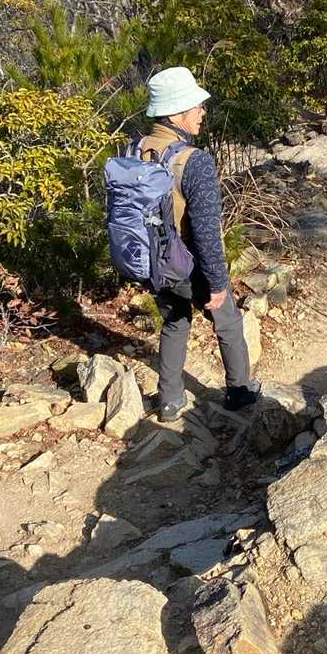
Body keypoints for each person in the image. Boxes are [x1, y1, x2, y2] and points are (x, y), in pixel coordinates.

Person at [137, 66, 259, 424]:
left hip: (150, 259)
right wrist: (218, 283)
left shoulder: (136, 149)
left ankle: (170, 400)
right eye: (196, 106)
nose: (202, 112)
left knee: (175, 322)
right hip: (186, 262)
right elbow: (206, 233)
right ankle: (240, 392)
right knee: (228, 320)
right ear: (176, 113)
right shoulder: (194, 161)